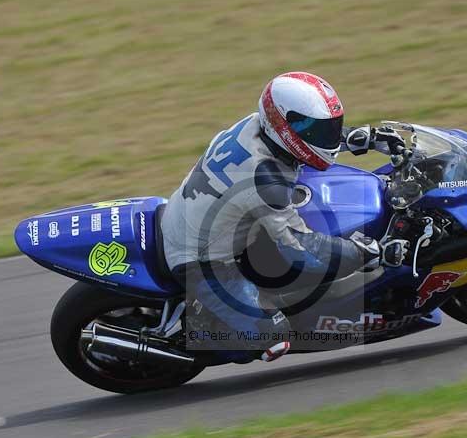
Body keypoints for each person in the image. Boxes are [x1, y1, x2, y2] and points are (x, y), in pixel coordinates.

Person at [161, 72, 410, 362]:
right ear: (282, 124)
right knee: (274, 337)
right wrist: (367, 253)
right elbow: (300, 248)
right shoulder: (265, 179)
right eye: (322, 129)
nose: (327, 134)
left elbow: (305, 138)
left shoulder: (258, 125)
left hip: (200, 217)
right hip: (200, 260)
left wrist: (360, 138)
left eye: (331, 126)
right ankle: (203, 328)